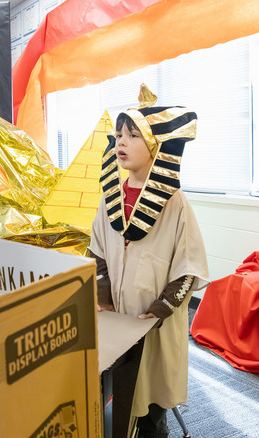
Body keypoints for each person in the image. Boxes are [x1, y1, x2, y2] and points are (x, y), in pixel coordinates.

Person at [89, 85, 209, 438]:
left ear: (154, 144)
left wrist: (161, 308)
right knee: (114, 395)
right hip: (117, 318)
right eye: (118, 135)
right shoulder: (110, 199)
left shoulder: (175, 203)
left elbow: (190, 266)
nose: (121, 142)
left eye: (132, 135)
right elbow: (97, 251)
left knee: (153, 406)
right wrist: (103, 292)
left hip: (154, 323)